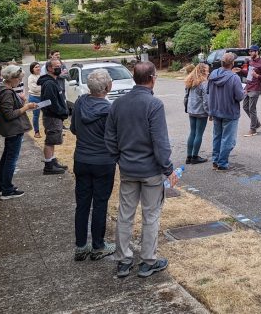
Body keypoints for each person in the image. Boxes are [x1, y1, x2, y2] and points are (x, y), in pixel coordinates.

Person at [104, 61, 177, 279]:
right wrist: (168, 168)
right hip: (150, 171)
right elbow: (160, 142)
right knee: (151, 215)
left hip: (128, 168)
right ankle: (148, 261)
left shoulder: (118, 104)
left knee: (125, 215)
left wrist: (120, 159)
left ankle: (124, 260)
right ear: (153, 78)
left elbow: (110, 138)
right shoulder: (153, 104)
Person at [70, 69, 117, 261]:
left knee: (82, 204)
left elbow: (73, 129)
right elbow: (115, 138)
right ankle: (98, 245)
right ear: (107, 87)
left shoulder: (80, 103)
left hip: (82, 158)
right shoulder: (109, 110)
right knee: (100, 204)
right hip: (103, 161)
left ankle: (81, 246)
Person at [0, 65, 37, 200]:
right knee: (11, 160)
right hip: (13, 129)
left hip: (9, 128)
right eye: (19, 79)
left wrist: (21, 102)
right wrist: (26, 107)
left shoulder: (1, 88)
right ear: (12, 78)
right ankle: (7, 190)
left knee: (6, 157)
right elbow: (9, 114)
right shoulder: (7, 92)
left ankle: (1, 186)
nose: (20, 81)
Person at [207, 52, 244, 171]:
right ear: (232, 63)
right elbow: (239, 97)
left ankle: (215, 161)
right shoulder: (234, 78)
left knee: (217, 137)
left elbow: (209, 91)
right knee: (228, 139)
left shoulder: (213, 74)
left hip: (216, 110)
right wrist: (245, 91)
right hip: (230, 112)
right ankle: (222, 163)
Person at [38, 58, 69, 175]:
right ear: (49, 68)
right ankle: (48, 166)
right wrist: (63, 112)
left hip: (55, 116)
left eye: (60, 65)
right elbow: (52, 103)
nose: (59, 68)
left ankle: (52, 161)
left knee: (53, 140)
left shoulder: (53, 80)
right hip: (52, 117)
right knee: (50, 141)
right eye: (56, 66)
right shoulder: (49, 83)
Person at [184, 63, 209, 164]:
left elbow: (186, 97)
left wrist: (186, 108)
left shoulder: (190, 82)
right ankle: (195, 157)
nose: (208, 72)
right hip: (201, 112)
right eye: (207, 70)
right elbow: (206, 101)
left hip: (191, 110)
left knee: (192, 132)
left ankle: (189, 156)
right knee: (199, 134)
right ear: (203, 71)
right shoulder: (204, 83)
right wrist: (209, 112)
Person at [242, 44, 261, 137]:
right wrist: (240, 71)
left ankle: (253, 129)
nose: (250, 53)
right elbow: (249, 74)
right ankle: (256, 123)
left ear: (257, 52)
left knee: (252, 109)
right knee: (245, 107)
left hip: (255, 88)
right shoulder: (251, 61)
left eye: (252, 51)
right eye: (250, 51)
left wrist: (257, 76)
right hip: (248, 86)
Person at [27, 62, 42, 139]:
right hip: (34, 98)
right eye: (36, 67)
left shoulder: (41, 76)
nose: (38, 68)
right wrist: (44, 87)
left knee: (46, 114)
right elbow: (34, 89)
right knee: (36, 115)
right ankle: (36, 132)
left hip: (42, 97)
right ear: (32, 69)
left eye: (39, 67)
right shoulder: (31, 77)